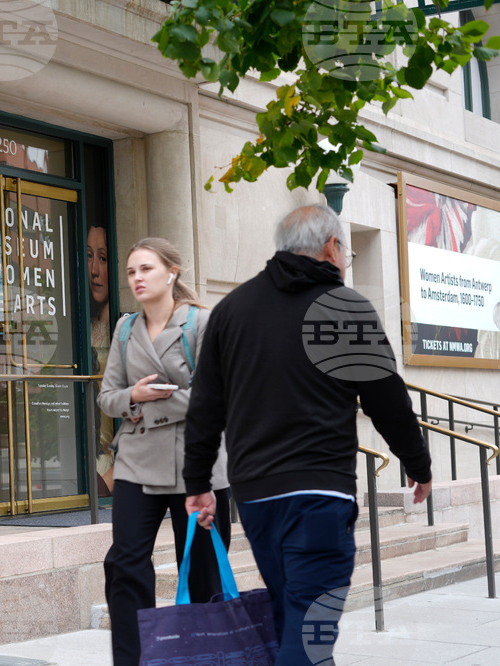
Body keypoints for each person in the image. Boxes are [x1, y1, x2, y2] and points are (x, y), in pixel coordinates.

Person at [183, 204, 433, 665]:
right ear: (331, 247)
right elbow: (387, 400)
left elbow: (204, 407)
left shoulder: (232, 310)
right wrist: (418, 463)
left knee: (292, 617)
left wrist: (198, 482)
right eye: (346, 253)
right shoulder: (344, 307)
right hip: (321, 495)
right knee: (310, 629)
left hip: (256, 496)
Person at [98, 237, 230, 666]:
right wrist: (134, 396)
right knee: (125, 566)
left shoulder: (202, 323)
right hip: (136, 462)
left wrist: (149, 404)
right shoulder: (125, 329)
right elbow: (108, 398)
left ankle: (205, 658)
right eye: (131, 271)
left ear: (171, 272)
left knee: (204, 570)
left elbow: (217, 396)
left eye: (146, 269)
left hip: (197, 463)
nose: (136, 278)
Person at [87, 222, 116, 496]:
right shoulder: (84, 329)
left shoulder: (124, 329)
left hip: (114, 464)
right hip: (90, 460)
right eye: (89, 256)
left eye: (103, 258)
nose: (94, 269)